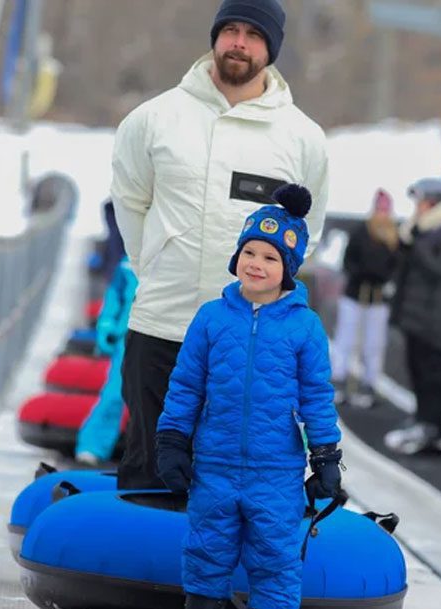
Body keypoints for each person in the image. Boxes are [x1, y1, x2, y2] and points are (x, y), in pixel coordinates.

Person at [110, 0, 329, 490]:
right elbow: (130, 203)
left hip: (247, 344)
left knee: (230, 479)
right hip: (163, 327)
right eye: (230, 29)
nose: (239, 42)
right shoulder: (154, 119)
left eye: (253, 34)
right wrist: (158, 268)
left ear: (270, 47)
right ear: (214, 37)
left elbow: (305, 231)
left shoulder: (302, 139)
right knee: (151, 469)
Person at [154, 185, 342, 609]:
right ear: (236, 257)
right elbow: (186, 384)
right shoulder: (212, 318)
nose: (256, 264)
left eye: (270, 258)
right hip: (213, 460)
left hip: (275, 466)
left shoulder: (304, 327)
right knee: (207, 546)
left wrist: (325, 456)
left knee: (275, 551)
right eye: (249, 253)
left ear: (289, 270)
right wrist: (173, 439)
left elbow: (317, 396)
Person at [383, 178, 441, 455]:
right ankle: (422, 419)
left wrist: (417, 241)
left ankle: (434, 428)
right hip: (413, 317)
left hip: (434, 319)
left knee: (433, 377)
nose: (417, 208)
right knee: (417, 372)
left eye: (421, 202)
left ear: (433, 203)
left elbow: (440, 268)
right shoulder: (417, 231)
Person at [330, 188, 399, 408]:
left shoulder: (393, 237)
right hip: (355, 294)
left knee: (374, 343)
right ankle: (340, 379)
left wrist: (383, 278)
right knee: (347, 338)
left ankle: (370, 384)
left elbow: (395, 267)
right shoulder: (360, 231)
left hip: (377, 298)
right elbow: (348, 261)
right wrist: (361, 274)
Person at [74, 256, 137, 465]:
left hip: (165, 334)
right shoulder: (128, 263)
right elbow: (115, 295)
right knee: (114, 394)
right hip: (128, 336)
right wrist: (107, 324)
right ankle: (92, 447)